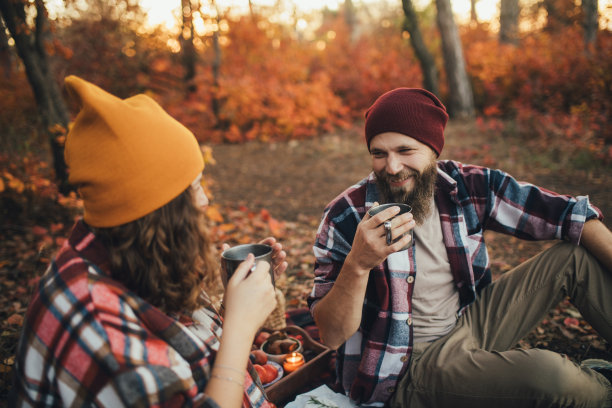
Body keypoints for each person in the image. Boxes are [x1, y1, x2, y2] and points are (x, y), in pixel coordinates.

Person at [309, 88, 612, 407]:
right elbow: (331, 335)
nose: (393, 167)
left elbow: (572, 217)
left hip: (470, 321)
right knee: (556, 380)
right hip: (406, 368)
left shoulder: (464, 185)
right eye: (379, 153)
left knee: (574, 258)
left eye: (405, 150)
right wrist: (358, 264)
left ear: (433, 149)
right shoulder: (346, 216)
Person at [10, 76, 288, 407]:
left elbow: (184, 352)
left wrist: (234, 304)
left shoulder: (131, 254)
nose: (204, 202)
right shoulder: (96, 328)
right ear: (159, 208)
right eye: (195, 186)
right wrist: (240, 330)